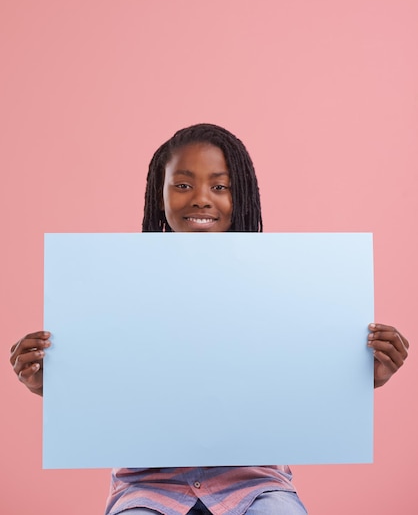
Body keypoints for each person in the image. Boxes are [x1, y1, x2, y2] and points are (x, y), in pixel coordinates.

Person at [10, 123, 409, 515]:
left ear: (242, 196)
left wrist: (361, 377)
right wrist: (56, 384)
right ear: (158, 192)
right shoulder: (117, 285)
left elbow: (295, 376)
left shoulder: (282, 287)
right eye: (183, 185)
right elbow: (114, 383)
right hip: (147, 488)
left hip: (254, 484)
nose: (202, 199)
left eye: (220, 187)